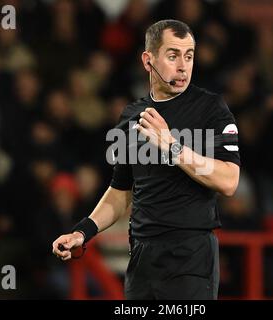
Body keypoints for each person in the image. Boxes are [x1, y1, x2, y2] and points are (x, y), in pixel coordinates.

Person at [52, 19, 241, 300]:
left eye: (189, 56)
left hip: (190, 256)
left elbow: (228, 180)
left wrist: (172, 146)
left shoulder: (210, 109)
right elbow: (121, 192)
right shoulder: (131, 117)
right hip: (141, 256)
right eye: (173, 55)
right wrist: (83, 232)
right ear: (148, 60)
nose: (183, 66)